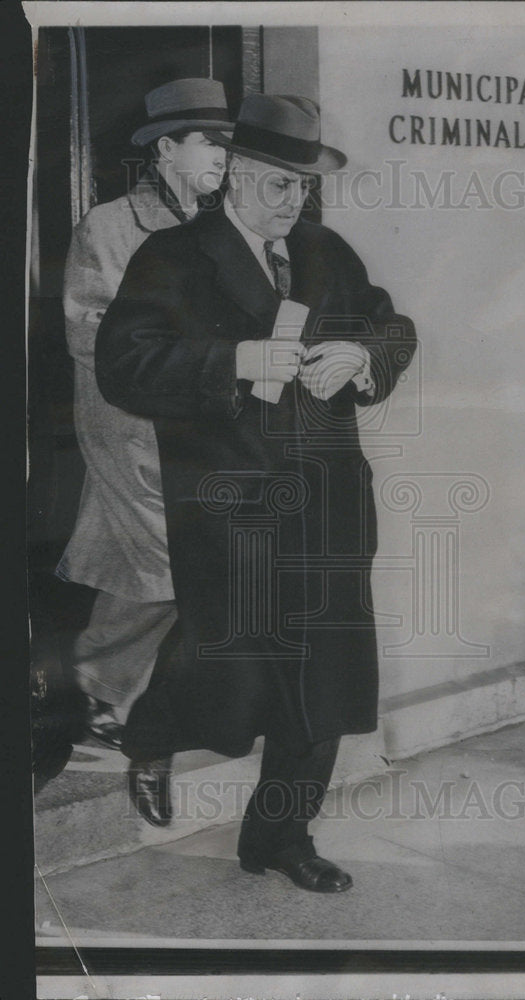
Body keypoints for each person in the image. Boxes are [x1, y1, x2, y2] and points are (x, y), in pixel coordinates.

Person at [95, 94, 416, 893]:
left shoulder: (325, 251)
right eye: (278, 186)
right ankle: (150, 734)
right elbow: (124, 367)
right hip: (231, 508)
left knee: (326, 677)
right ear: (235, 174)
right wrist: (234, 360)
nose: (293, 203)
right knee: (227, 666)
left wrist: (361, 357)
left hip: (331, 505)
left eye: (303, 188)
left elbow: (394, 326)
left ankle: (279, 838)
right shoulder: (171, 258)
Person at [55, 79, 234, 749]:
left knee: (163, 564)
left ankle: (121, 698)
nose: (221, 157)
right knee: (165, 564)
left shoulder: (218, 230)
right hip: (130, 423)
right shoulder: (108, 225)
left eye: (227, 146)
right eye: (208, 143)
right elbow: (89, 328)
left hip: (202, 422)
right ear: (165, 148)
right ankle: (100, 692)